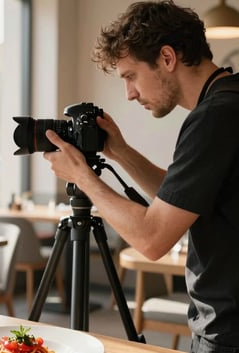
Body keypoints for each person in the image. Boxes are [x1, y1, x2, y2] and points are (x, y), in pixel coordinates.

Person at [43, 1, 239, 352]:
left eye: (130, 76)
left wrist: (83, 177)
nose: (129, 94)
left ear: (167, 58)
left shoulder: (214, 118)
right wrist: (120, 152)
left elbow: (152, 239)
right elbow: (181, 199)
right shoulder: (228, 100)